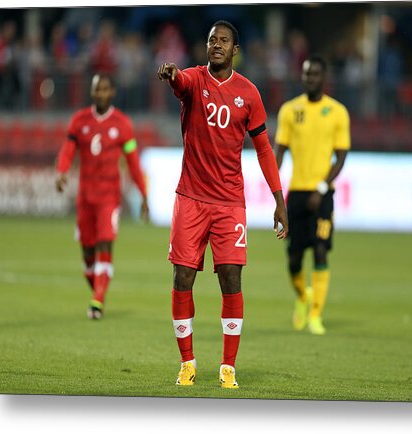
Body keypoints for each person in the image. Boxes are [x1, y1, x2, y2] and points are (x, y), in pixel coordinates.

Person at [157, 20, 288, 389]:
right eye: (212, 39)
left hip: (230, 202)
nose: (216, 44)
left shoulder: (249, 93)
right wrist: (171, 75)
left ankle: (228, 367)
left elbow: (263, 148)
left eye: (224, 40)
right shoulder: (194, 81)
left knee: (231, 279)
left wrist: (280, 200)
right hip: (191, 198)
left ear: (235, 50)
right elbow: (179, 81)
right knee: (182, 277)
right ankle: (187, 363)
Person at [55, 73, 149, 320]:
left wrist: (144, 194)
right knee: (87, 253)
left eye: (105, 89)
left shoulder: (122, 124)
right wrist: (62, 171)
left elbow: (133, 162)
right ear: (92, 92)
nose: (101, 93)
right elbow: (68, 149)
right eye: (97, 89)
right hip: (85, 197)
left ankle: (97, 301)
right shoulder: (79, 121)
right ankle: (97, 290)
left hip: (109, 197)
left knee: (105, 243)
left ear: (112, 92)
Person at [275, 54, 350, 335]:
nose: (310, 79)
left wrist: (322, 187)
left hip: (323, 194)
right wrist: (275, 186)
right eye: (306, 74)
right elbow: (279, 152)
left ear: (324, 77)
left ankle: (316, 316)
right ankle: (303, 299)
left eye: (315, 74)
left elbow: (340, 158)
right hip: (296, 193)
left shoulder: (338, 112)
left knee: (320, 250)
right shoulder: (289, 110)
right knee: (294, 257)